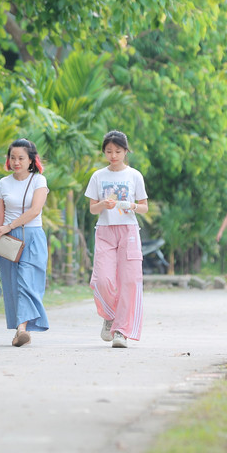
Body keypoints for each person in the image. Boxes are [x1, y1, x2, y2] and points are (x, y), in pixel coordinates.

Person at [85, 130, 149, 348]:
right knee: (103, 280)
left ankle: (121, 331)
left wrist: (131, 205)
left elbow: (144, 207)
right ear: (104, 152)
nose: (113, 155)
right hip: (105, 230)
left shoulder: (134, 175)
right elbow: (93, 209)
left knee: (129, 281)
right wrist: (104, 204)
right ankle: (110, 315)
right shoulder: (98, 176)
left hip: (129, 231)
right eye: (109, 151)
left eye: (118, 151)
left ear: (125, 151)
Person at [0, 139, 50, 347]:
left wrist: (10, 225)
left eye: (21, 158)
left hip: (32, 236)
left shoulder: (38, 181)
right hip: (7, 241)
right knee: (13, 285)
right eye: (12, 158)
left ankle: (22, 329)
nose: (16, 162)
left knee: (27, 282)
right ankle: (20, 329)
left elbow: (35, 211)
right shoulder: (3, 183)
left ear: (31, 159)